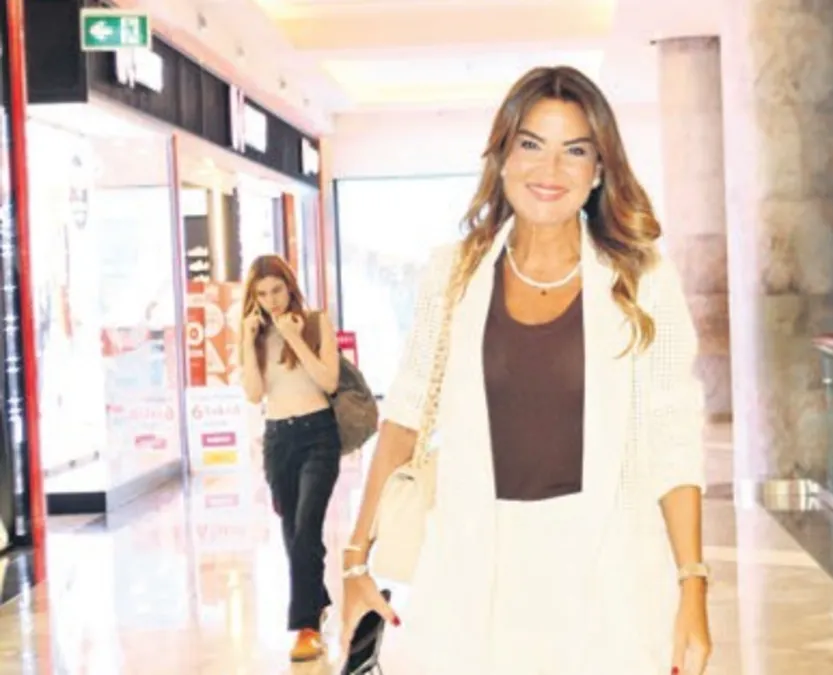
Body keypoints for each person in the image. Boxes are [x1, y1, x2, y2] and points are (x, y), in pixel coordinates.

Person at [340, 65, 713, 674]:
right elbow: (404, 418)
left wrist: (692, 583)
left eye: (576, 151)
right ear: (503, 156)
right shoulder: (454, 273)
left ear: (599, 170)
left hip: (606, 575)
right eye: (532, 145)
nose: (551, 169)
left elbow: (673, 439)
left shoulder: (642, 279)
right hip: (476, 571)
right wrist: (356, 558)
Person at [238, 254, 341, 663]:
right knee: (292, 531)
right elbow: (253, 394)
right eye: (262, 294)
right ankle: (317, 599)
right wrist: (247, 340)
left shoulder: (316, 322)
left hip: (319, 436)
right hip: (278, 439)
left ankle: (306, 628)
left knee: (306, 528)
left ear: (290, 286)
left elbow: (329, 381)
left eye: (277, 290)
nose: (272, 300)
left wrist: (294, 337)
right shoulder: (255, 334)